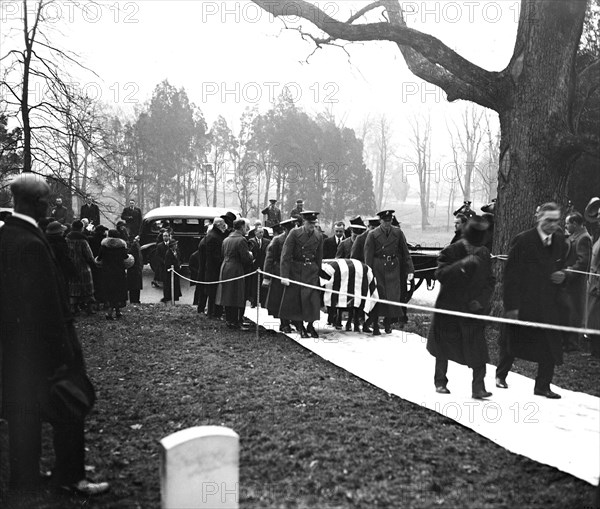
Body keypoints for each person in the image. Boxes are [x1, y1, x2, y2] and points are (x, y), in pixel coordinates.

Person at [0, 174, 109, 496]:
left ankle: (25, 480)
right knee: (70, 408)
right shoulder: (32, 243)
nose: (50, 207)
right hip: (42, 351)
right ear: (37, 203)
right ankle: (70, 477)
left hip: (14, 350)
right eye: (46, 201)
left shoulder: (7, 236)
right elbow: (46, 306)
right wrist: (65, 353)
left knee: (23, 416)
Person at [496, 202, 567, 399]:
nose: (552, 225)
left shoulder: (560, 241)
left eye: (556, 221)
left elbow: (563, 266)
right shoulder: (523, 241)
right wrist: (512, 306)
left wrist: (563, 275)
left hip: (548, 303)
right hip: (524, 302)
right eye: (548, 220)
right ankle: (501, 375)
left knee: (550, 344)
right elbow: (510, 276)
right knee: (513, 342)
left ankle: (543, 386)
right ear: (538, 218)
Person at [426, 216, 495, 399]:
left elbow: (490, 281)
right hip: (449, 307)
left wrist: (481, 300)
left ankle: (478, 388)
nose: (473, 250)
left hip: (472, 310)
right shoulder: (451, 251)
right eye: (470, 245)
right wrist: (461, 265)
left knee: (478, 350)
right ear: (464, 239)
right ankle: (440, 382)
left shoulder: (483, 253)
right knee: (443, 348)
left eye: (476, 246)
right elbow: (440, 274)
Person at [364, 209, 415, 335]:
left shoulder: (398, 233)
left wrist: (410, 269)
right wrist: (368, 272)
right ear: (380, 221)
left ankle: (388, 323)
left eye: (389, 220)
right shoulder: (372, 234)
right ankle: (375, 324)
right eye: (385, 221)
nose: (387, 223)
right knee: (378, 296)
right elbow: (368, 255)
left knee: (392, 296)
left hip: (393, 267)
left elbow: (405, 252)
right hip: (378, 268)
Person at [279, 211, 324, 338]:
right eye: (310, 223)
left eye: (314, 223)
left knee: (313, 300)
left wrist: (318, 271)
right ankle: (300, 325)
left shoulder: (318, 236)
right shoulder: (295, 233)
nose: (312, 225)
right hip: (297, 270)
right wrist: (285, 275)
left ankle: (310, 324)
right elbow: (285, 255)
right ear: (304, 222)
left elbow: (319, 256)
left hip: (311, 271)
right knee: (298, 300)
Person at [562, 211, 592, 352]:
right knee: (567, 312)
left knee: (574, 312)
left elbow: (583, 262)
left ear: (575, 223)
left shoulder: (583, 238)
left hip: (575, 284)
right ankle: (566, 341)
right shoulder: (575, 236)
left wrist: (568, 272)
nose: (566, 226)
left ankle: (572, 343)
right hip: (569, 283)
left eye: (568, 223)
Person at [216, 219, 254, 330]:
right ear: (241, 227)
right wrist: (250, 255)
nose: (246, 229)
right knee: (237, 294)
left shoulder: (226, 239)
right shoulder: (241, 240)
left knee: (228, 294)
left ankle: (230, 320)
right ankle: (237, 321)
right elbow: (245, 258)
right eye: (245, 227)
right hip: (236, 268)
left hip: (225, 267)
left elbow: (223, 254)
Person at [263, 218, 297, 332]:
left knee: (291, 299)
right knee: (281, 298)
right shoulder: (277, 240)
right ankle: (284, 323)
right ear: (285, 229)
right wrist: (266, 277)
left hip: (293, 273)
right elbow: (269, 259)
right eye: (290, 229)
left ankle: (293, 321)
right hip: (279, 273)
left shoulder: (297, 240)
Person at [96, 229, 133, 319]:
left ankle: (112, 312)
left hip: (106, 272)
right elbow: (126, 258)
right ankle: (116, 311)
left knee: (110, 292)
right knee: (118, 292)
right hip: (118, 272)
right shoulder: (121, 247)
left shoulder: (103, 246)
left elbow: (99, 258)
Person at [66, 220, 96, 315]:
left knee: (73, 287)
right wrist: (93, 263)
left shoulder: (67, 239)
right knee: (87, 288)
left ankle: (73, 308)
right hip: (83, 266)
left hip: (70, 266)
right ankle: (89, 308)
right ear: (81, 228)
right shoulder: (83, 240)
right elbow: (89, 255)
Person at [584, 197, 600, 358]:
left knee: (596, 318)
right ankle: (593, 350)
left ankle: (596, 351)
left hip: (598, 285)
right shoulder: (597, 236)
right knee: (592, 317)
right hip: (592, 281)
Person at [205, 217, 228, 319]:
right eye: (223, 225)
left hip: (212, 268)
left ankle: (213, 312)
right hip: (214, 269)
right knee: (214, 292)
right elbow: (215, 255)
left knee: (214, 292)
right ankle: (214, 313)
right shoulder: (214, 237)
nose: (224, 227)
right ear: (218, 225)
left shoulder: (213, 235)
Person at [248, 226, 270, 307]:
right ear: (255, 232)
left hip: (263, 266)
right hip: (254, 267)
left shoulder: (267, 242)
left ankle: (263, 302)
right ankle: (253, 302)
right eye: (259, 232)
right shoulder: (251, 241)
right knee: (254, 285)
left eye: (262, 232)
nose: (261, 234)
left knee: (263, 285)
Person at [162, 239, 182, 303]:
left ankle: (175, 296)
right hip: (170, 272)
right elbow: (168, 263)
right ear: (172, 246)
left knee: (175, 284)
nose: (176, 246)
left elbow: (179, 259)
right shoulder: (168, 253)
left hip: (176, 271)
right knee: (169, 285)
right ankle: (168, 298)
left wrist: (179, 264)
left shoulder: (177, 251)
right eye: (175, 245)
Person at [127, 235, 144, 304]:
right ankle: (135, 300)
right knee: (135, 287)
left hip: (135, 268)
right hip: (135, 269)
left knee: (134, 287)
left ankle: (135, 300)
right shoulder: (135, 246)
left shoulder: (135, 245)